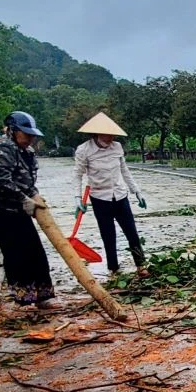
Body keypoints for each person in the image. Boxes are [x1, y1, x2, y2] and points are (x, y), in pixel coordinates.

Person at [0, 111, 59, 308]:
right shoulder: (3, 148)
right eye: (25, 134)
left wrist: (35, 196)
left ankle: (42, 296)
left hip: (18, 207)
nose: (30, 138)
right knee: (15, 251)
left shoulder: (27, 152)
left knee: (34, 249)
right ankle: (23, 297)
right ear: (13, 131)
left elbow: (28, 180)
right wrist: (23, 199)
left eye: (32, 135)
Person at [73, 112, 148, 277]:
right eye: (108, 134)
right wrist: (78, 199)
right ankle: (113, 268)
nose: (111, 137)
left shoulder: (117, 147)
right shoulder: (84, 150)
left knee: (131, 232)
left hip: (120, 195)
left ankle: (141, 265)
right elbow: (77, 175)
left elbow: (124, 170)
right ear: (98, 133)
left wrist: (137, 191)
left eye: (113, 134)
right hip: (100, 198)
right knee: (108, 235)